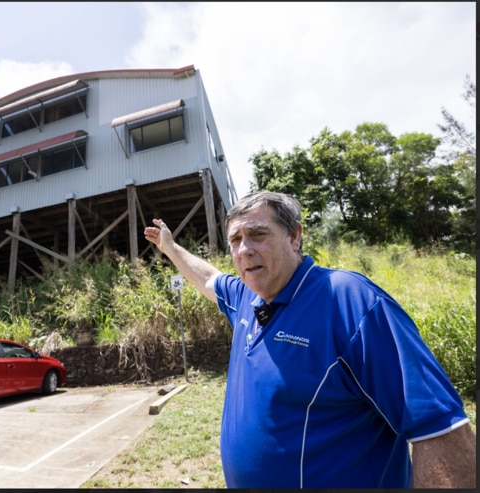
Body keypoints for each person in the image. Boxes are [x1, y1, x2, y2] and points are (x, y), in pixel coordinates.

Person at [144, 190, 476, 488]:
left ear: (294, 236)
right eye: (235, 240)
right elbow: (209, 279)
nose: (244, 250)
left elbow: (441, 432)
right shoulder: (247, 296)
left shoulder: (351, 303)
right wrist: (170, 248)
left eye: (258, 234)